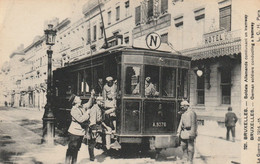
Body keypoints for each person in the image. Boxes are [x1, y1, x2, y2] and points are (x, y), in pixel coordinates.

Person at [65, 90, 95, 164]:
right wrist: (87, 114)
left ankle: (73, 162)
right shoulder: (73, 110)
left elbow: (89, 104)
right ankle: (67, 162)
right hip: (74, 133)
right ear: (75, 101)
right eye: (78, 98)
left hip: (80, 132)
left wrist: (92, 96)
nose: (80, 98)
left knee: (76, 149)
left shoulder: (81, 107)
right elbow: (80, 119)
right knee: (71, 149)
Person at [85, 96, 104, 161]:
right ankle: (92, 157)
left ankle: (92, 157)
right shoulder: (94, 109)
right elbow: (93, 121)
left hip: (97, 126)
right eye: (101, 102)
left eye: (102, 102)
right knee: (92, 143)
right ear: (97, 101)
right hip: (94, 127)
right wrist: (94, 130)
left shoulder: (98, 108)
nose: (102, 103)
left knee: (94, 142)